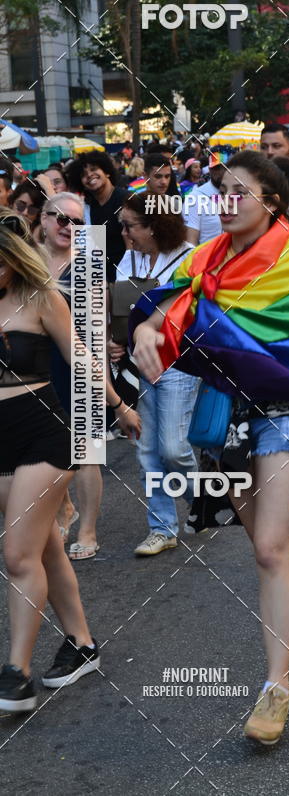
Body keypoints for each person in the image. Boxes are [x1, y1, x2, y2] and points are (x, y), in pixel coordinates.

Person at [131, 151, 289, 745]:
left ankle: (274, 686)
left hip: (287, 420)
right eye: (221, 190)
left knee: (268, 548)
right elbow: (167, 303)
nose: (226, 201)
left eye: (239, 191)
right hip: (224, 421)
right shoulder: (206, 259)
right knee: (275, 550)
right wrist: (142, 326)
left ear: (272, 202)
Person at [0, 210, 140, 712]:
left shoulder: (41, 298)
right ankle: (81, 643)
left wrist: (119, 405)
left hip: (45, 434)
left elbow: (81, 357)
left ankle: (16, 673)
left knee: (18, 555)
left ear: (13, 259)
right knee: (44, 549)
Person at [111, 193, 197, 556]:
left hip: (179, 363)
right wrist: (116, 342)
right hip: (140, 367)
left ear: (153, 226)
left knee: (173, 449)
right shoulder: (127, 258)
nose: (124, 233)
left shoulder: (189, 258)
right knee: (148, 452)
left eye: (130, 226)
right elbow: (118, 308)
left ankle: (206, 495)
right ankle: (162, 528)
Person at [41, 194, 105, 560]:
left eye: (77, 223)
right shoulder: (26, 260)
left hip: (80, 361)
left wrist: (101, 367)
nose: (68, 227)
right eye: (60, 219)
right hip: (34, 366)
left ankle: (89, 528)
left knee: (86, 451)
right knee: (47, 447)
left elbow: (97, 323)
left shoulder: (88, 263)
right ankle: (64, 508)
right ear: (44, 220)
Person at [66, 150, 129, 282]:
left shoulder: (125, 199)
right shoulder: (86, 206)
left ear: (107, 171)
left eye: (94, 169)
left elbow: (132, 247)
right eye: (83, 175)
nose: (89, 175)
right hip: (98, 280)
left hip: (125, 278)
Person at [183, 161, 224, 246]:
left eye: (226, 166)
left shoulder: (241, 195)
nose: (222, 171)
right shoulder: (195, 197)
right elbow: (190, 243)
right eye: (217, 167)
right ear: (210, 169)